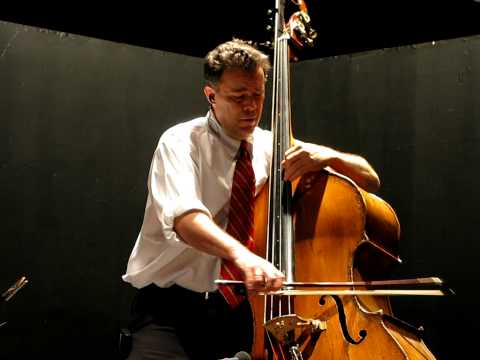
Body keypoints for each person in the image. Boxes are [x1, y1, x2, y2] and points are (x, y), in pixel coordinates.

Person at [121, 39, 380, 360]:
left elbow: (369, 178)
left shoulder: (273, 148)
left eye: (257, 95)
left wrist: (327, 157)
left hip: (244, 314)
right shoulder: (180, 142)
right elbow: (186, 220)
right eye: (238, 97)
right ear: (211, 96)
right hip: (170, 310)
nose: (251, 107)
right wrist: (242, 257)